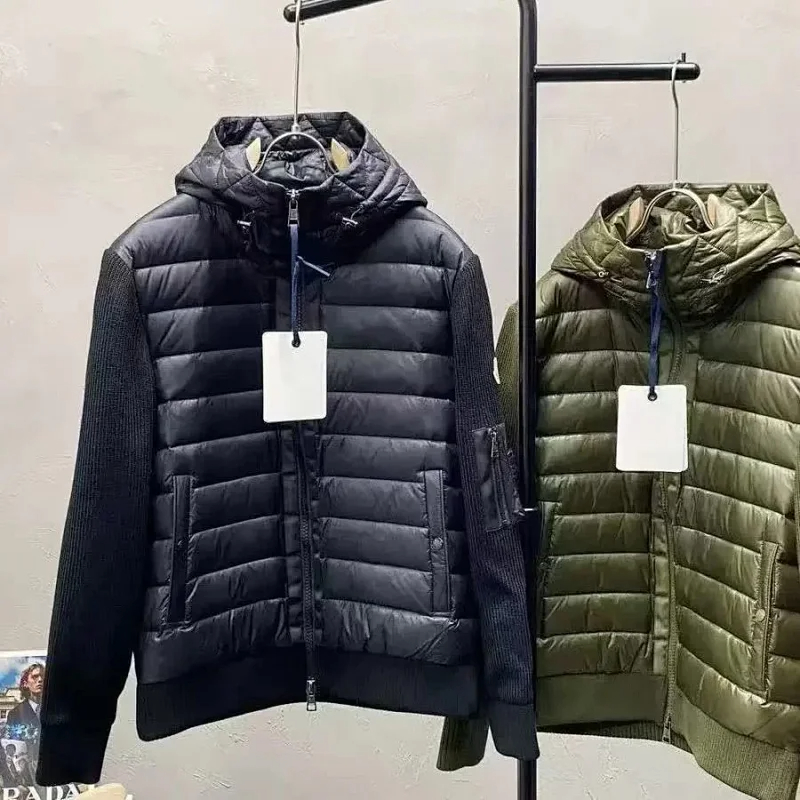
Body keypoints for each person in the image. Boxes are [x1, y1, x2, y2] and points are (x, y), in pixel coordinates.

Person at [6, 663, 43, 765]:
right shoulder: (15, 714)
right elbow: (13, 745)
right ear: (25, 683)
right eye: (35, 677)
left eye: (43, 677)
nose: (40, 680)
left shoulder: (56, 710)